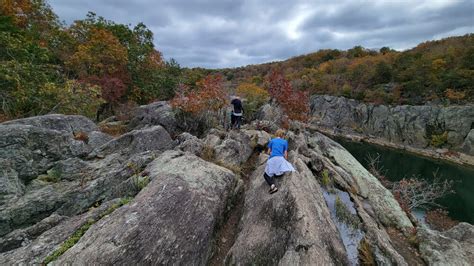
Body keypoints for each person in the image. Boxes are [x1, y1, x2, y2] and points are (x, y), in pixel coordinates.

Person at [264, 129, 295, 194]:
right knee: (278, 173)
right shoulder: (285, 142)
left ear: (276, 134)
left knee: (266, 175)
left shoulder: (272, 141)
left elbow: (268, 152)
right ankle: (277, 175)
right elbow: (285, 153)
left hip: (272, 159)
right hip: (280, 159)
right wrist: (285, 162)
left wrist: (272, 153)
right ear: (282, 135)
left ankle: (273, 186)